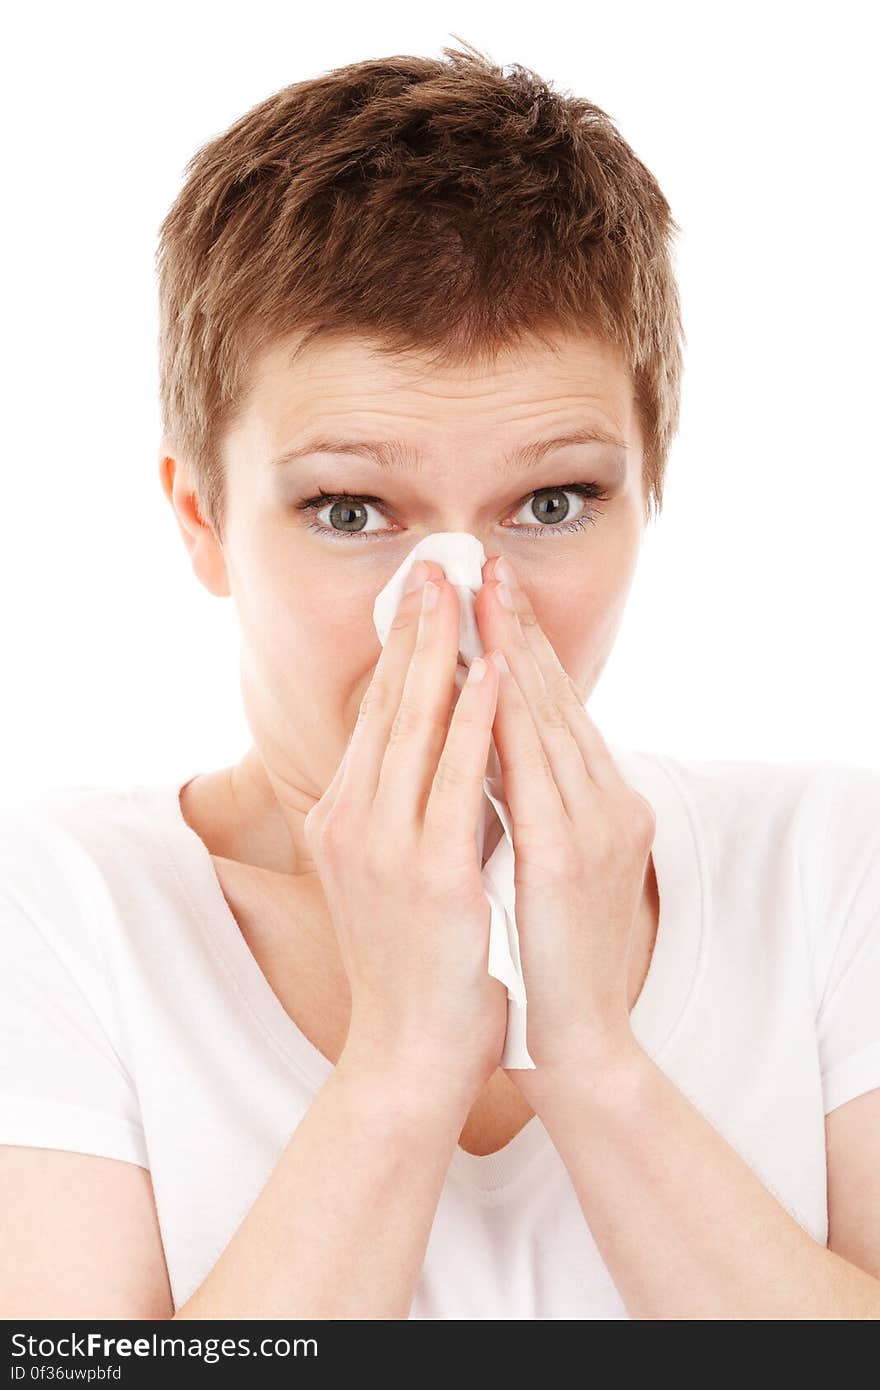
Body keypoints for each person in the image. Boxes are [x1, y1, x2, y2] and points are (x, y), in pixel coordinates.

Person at [2, 39, 879, 1322]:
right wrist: (402, 1068)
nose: (461, 604)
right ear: (201, 519)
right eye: (351, 508)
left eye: (553, 501)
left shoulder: (826, 860)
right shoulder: (59, 909)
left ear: (651, 492)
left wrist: (591, 1059)